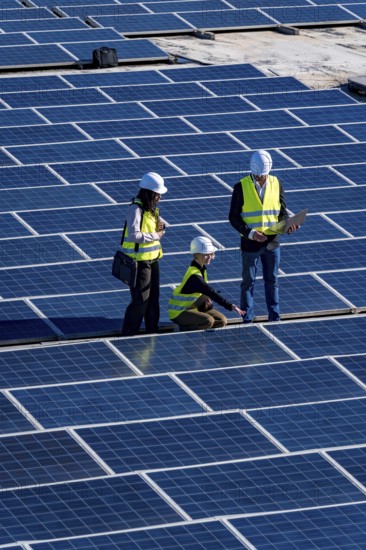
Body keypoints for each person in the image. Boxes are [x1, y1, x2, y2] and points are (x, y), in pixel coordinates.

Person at [229, 150, 298, 323]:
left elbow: (282, 213)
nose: (259, 177)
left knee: (272, 281)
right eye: (257, 174)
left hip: (272, 243)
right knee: (248, 283)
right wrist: (251, 233)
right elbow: (233, 217)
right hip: (250, 244)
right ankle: (247, 319)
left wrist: (287, 225)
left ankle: (275, 317)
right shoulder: (241, 187)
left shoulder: (277, 183)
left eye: (262, 174)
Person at [121, 172, 167, 336]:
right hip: (139, 263)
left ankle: (152, 331)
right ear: (149, 193)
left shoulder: (152, 209)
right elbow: (134, 235)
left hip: (153, 261)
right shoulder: (135, 209)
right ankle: (128, 333)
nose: (160, 198)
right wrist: (156, 235)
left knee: (153, 300)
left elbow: (153, 228)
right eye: (158, 195)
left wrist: (160, 226)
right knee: (140, 301)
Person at [168, 236, 245, 331]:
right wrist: (230, 305)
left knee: (222, 321)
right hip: (179, 312)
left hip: (192, 306)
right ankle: (183, 329)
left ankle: (196, 326)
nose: (210, 257)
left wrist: (206, 301)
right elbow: (209, 290)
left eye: (211, 254)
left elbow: (202, 291)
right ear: (196, 255)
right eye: (206, 254)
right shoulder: (194, 276)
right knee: (208, 321)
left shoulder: (201, 269)